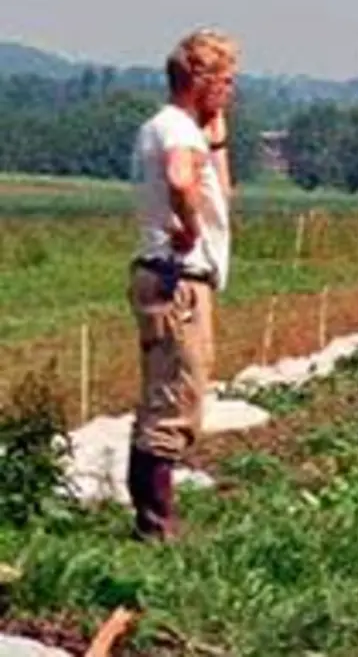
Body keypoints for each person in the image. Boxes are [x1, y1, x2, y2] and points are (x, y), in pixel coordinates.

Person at [125, 28, 238, 541]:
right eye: (226, 81)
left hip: (161, 275)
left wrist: (218, 135)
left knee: (162, 396)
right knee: (176, 402)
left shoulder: (169, 126)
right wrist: (190, 229)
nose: (231, 90)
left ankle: (151, 518)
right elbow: (179, 178)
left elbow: (222, 192)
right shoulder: (177, 133)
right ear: (200, 80)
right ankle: (157, 528)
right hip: (179, 281)